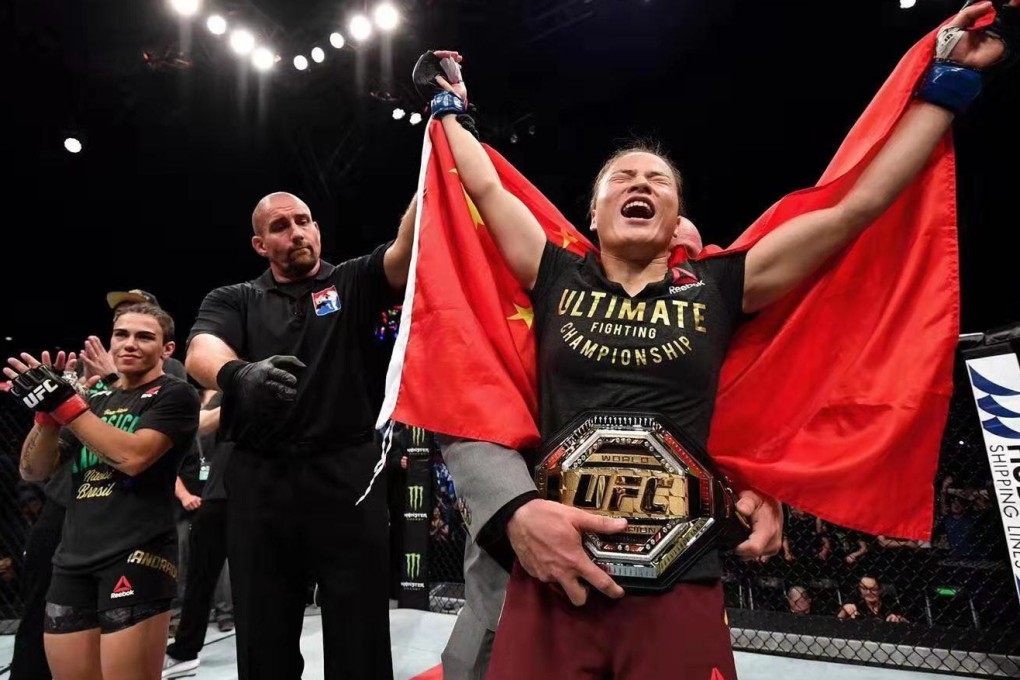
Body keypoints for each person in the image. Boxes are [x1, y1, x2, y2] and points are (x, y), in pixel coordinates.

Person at [413, 3, 1015, 676]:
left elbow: (857, 206)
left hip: (680, 575)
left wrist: (946, 87)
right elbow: (487, 185)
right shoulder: (553, 271)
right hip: (557, 573)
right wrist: (448, 107)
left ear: (675, 220)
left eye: (657, 180)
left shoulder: (722, 286)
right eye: (623, 177)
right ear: (593, 211)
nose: (640, 182)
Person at [438, 219, 705, 680]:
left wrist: (756, 483)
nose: (676, 272)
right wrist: (514, 508)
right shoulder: (549, 291)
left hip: (667, 603)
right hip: (518, 579)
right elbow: (467, 393)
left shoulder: (700, 328)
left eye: (687, 265)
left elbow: (740, 415)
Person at [184, 191, 415, 679]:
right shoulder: (235, 298)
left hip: (348, 474)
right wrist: (238, 375)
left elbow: (405, 246)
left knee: (361, 635)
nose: (296, 232)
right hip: (261, 480)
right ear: (260, 244)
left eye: (304, 221)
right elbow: (201, 350)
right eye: (280, 226)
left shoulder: (353, 280)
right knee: (263, 633)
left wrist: (437, 154)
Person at [4, 303, 200, 680]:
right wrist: (47, 417)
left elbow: (132, 457)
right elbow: (33, 469)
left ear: (167, 350)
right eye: (121, 335)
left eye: (145, 337)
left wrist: (67, 405)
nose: (129, 344)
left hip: (137, 555)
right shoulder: (93, 399)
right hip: (73, 558)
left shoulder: (174, 395)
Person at [162, 391, 234, 679]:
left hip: (258, 493)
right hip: (216, 497)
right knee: (199, 578)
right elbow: (201, 423)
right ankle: (184, 650)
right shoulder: (230, 392)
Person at [838, 576, 907, 623]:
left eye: (873, 589)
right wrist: (844, 611)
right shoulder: (855, 601)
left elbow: (908, 622)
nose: (869, 592)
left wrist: (899, 619)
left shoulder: (889, 602)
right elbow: (837, 622)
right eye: (864, 588)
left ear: (880, 590)